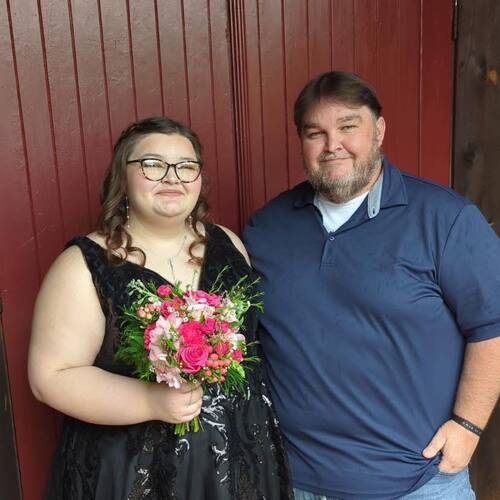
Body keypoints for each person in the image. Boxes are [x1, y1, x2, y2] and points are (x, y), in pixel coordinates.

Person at [243, 71, 500, 499]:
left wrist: (468, 425)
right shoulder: (267, 228)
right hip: (295, 481)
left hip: (418, 483)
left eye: (348, 126)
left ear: (378, 130)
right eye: (315, 133)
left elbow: (492, 326)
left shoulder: (444, 219)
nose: (332, 145)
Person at [28, 116, 292, 500]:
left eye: (186, 166)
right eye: (153, 164)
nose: (172, 177)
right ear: (123, 177)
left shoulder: (228, 244)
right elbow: (50, 378)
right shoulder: (83, 265)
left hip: (241, 457)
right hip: (138, 470)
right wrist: (151, 401)